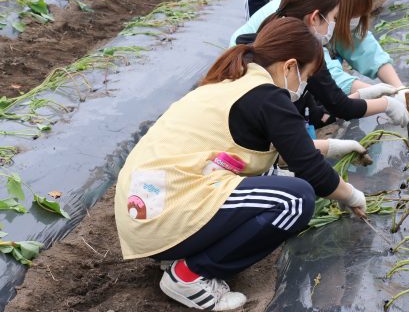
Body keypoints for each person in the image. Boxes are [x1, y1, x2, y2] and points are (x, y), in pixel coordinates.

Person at [115, 18, 368, 311]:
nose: (305, 84)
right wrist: (351, 195)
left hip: (144, 208)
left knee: (273, 178)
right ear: (289, 67)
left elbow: (290, 152)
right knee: (295, 200)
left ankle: (183, 252)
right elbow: (310, 170)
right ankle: (190, 274)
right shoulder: (269, 97)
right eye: (307, 75)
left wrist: (334, 147)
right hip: (167, 214)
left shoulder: (234, 81)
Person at [231, 0, 409, 130]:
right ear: (317, 17)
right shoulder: (298, 37)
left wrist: (399, 88)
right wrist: (387, 100)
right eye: (335, 18)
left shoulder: (310, 12)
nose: (343, 24)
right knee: (316, 110)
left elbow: (364, 48)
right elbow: (335, 92)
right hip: (254, 95)